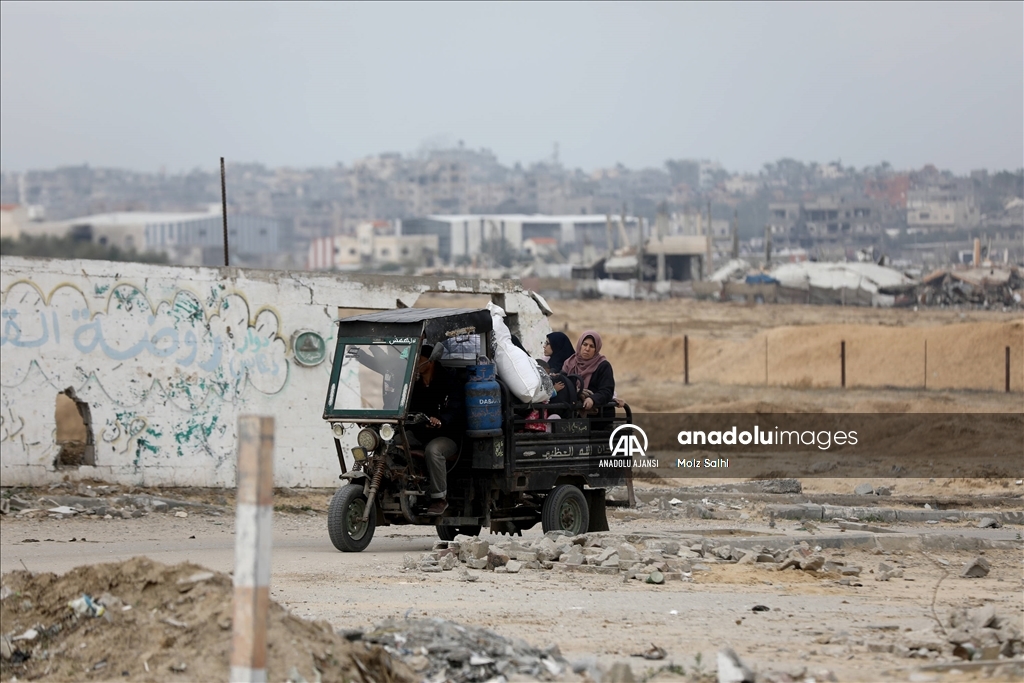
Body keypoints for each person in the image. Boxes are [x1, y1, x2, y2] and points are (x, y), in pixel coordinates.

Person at [407, 345, 464, 515]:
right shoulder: (414, 384)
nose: (415, 362)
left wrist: (441, 420)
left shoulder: (449, 380)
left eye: (419, 359)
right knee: (391, 442)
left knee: (433, 450)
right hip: (421, 433)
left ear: (430, 361)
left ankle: (439, 498)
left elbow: (455, 409)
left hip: (447, 436)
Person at [561, 331, 615, 416]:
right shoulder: (569, 363)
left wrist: (592, 399)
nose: (587, 349)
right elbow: (563, 384)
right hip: (572, 414)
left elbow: (607, 391)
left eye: (592, 346)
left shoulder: (603, 366)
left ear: (596, 349)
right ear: (580, 345)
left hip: (598, 415)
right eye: (585, 344)